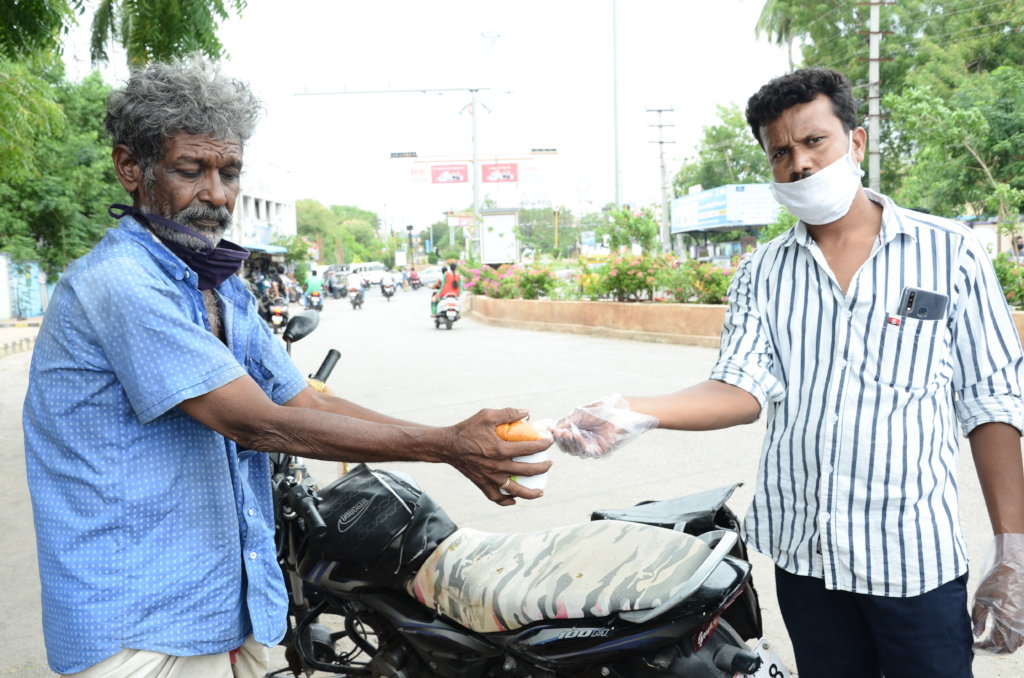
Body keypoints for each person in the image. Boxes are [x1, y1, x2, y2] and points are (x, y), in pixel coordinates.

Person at [22, 55, 551, 678]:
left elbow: (305, 402)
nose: (216, 195)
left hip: (224, 607)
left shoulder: (219, 287)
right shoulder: (120, 284)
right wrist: (444, 446)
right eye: (191, 171)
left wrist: (455, 441)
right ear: (130, 168)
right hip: (136, 623)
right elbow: (255, 424)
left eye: (230, 172)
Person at [551, 67, 1024, 677]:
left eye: (813, 141)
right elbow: (740, 388)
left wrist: (1012, 550)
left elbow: (990, 401)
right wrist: (632, 410)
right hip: (807, 562)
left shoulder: (949, 252)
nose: (798, 162)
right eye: (781, 151)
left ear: (854, 143)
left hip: (914, 559)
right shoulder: (761, 273)